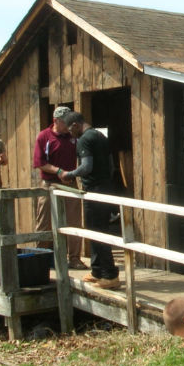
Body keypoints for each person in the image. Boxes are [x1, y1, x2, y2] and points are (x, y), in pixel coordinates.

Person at [63, 112, 120, 289]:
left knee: (97, 233)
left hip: (94, 190)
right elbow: (111, 166)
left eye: (70, 130)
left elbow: (86, 167)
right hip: (106, 188)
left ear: (75, 125)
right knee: (94, 231)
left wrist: (69, 174)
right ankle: (97, 271)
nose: (71, 135)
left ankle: (110, 276)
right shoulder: (100, 136)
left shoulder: (84, 140)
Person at [32, 106, 84, 269]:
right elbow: (39, 163)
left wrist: (74, 174)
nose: (69, 124)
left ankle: (74, 258)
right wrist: (59, 171)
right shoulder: (44, 137)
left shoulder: (73, 136)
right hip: (50, 184)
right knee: (44, 221)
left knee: (74, 221)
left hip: (70, 183)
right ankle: (41, 257)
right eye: (65, 121)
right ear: (56, 121)